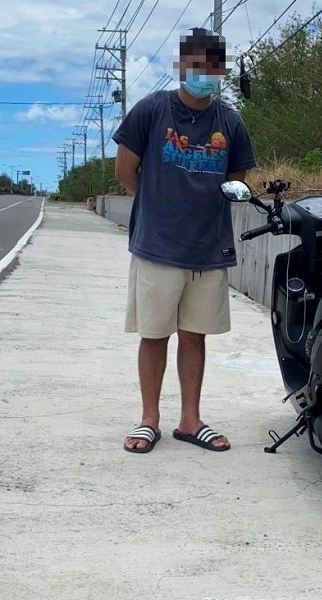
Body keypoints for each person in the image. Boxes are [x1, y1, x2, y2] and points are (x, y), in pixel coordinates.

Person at [113, 27, 257, 454]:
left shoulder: (230, 121)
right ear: (181, 66)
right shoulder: (152, 110)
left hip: (208, 249)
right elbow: (125, 172)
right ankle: (148, 420)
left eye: (213, 65)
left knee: (195, 336)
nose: (204, 72)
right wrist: (161, 206)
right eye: (197, 64)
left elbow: (237, 179)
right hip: (158, 246)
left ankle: (190, 420)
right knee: (154, 334)